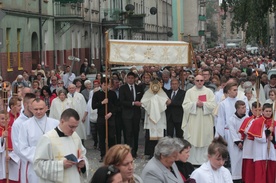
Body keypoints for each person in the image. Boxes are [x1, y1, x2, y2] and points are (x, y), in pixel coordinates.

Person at [33, 108, 88, 183]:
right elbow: (38, 165)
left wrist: (83, 164)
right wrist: (61, 165)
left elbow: (83, 155)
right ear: (62, 121)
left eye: (76, 127)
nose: (74, 130)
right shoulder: (48, 138)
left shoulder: (75, 137)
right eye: (71, 126)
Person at [17, 99, 59, 183]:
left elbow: (60, 143)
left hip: (52, 163)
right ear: (31, 109)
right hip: (35, 165)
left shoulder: (55, 123)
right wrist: (40, 157)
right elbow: (22, 147)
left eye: (41, 109)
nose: (38, 111)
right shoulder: (25, 126)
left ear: (46, 108)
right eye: (36, 109)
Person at [182, 74, 216, 165]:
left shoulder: (209, 92)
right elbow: (185, 105)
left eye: (201, 80)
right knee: (193, 137)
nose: (199, 82)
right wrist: (195, 104)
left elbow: (213, 105)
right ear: (194, 81)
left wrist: (204, 105)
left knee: (205, 138)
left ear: (204, 81)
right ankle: (192, 160)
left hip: (205, 120)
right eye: (197, 80)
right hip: (194, 119)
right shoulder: (189, 92)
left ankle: (205, 160)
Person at [247, 103, 276, 183]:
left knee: (270, 175)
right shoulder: (258, 122)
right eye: (266, 111)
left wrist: (273, 139)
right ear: (262, 111)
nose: (268, 113)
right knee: (260, 175)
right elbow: (258, 137)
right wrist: (268, 132)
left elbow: (274, 137)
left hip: (271, 152)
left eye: (270, 111)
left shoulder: (274, 122)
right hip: (260, 151)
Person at [141, 79, 170, 158]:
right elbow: (143, 102)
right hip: (150, 118)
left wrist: (161, 100)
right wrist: (153, 100)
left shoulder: (162, 93)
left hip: (160, 118)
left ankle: (161, 153)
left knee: (161, 136)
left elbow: (167, 101)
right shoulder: (147, 93)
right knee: (150, 135)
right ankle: (150, 153)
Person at [11, 93, 36, 183]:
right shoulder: (18, 123)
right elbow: (17, 147)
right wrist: (33, 156)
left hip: (41, 161)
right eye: (32, 104)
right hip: (27, 162)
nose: (34, 106)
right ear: (25, 104)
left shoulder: (38, 120)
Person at [92, 78, 117, 162]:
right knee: (102, 137)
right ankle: (103, 154)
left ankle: (112, 155)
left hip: (110, 117)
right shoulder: (97, 94)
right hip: (101, 117)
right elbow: (93, 106)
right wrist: (102, 102)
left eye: (107, 85)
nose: (106, 87)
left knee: (111, 137)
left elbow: (116, 106)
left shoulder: (112, 94)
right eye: (104, 85)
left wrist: (111, 113)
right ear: (101, 85)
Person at [119, 72, 143, 158]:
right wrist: (133, 103)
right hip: (127, 114)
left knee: (135, 132)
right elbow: (121, 101)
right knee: (127, 133)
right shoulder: (122, 88)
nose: (130, 79)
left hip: (136, 114)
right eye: (128, 78)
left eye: (132, 78)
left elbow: (142, 99)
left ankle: (134, 151)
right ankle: (127, 152)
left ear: (135, 79)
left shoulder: (139, 88)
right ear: (126, 79)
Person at [238, 101, 261, 183]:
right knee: (249, 162)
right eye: (256, 110)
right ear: (252, 109)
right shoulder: (248, 119)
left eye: (259, 110)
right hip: (249, 144)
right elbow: (245, 131)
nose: (258, 112)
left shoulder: (263, 120)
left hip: (258, 144)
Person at [228, 100, 247, 183]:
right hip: (235, 144)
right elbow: (232, 132)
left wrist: (243, 141)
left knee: (244, 162)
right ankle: (235, 178)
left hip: (245, 142)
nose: (245, 109)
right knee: (235, 161)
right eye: (242, 108)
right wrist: (238, 142)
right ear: (237, 109)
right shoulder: (231, 119)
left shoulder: (247, 118)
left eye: (245, 107)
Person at [0, 110, 20, 183]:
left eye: (6, 118)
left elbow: (19, 147)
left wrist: (12, 156)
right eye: (2, 119)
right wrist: (2, 138)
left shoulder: (13, 130)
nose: (5, 121)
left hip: (11, 161)